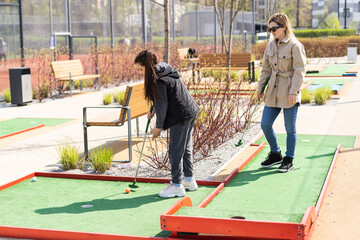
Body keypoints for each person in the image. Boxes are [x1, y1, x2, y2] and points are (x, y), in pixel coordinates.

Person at [134, 50, 200, 198]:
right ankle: (189, 180)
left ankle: (177, 185)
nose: (140, 73)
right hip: (190, 111)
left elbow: (163, 106)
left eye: (140, 69)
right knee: (185, 147)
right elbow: (163, 100)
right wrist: (154, 110)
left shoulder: (159, 80)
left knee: (174, 151)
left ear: (147, 66)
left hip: (180, 116)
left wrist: (158, 128)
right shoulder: (165, 70)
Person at [257, 13, 306, 173]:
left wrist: (294, 91)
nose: (271, 31)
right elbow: (266, 69)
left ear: (284, 27)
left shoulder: (295, 45)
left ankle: (289, 158)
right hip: (273, 90)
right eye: (269, 29)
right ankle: (276, 153)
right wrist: (260, 88)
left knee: (289, 128)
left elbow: (300, 71)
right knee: (265, 124)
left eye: (274, 28)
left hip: (289, 90)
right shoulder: (270, 45)